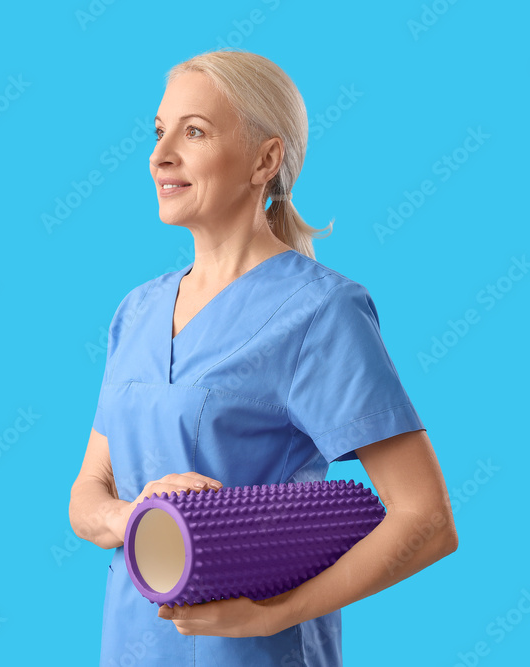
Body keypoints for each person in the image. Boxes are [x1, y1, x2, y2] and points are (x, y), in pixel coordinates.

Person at [68, 49, 458, 666]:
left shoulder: (320, 312)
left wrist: (273, 615)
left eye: (193, 132)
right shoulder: (136, 312)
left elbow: (426, 518)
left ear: (266, 159)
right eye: (158, 130)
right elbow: (87, 495)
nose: (160, 153)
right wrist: (137, 515)